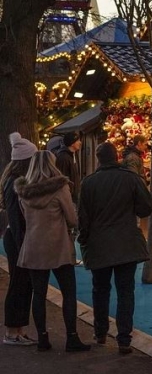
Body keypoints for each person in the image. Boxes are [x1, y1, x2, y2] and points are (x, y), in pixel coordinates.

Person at [78, 142, 152, 355]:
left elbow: (83, 217)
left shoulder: (89, 183)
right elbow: (147, 205)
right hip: (126, 243)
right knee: (125, 291)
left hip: (99, 244)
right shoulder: (130, 178)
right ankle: (124, 339)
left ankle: (100, 332)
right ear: (117, 157)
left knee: (100, 290)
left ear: (98, 159)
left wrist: (84, 240)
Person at [14, 150, 91, 352]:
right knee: (68, 292)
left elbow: (24, 218)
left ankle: (43, 338)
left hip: (33, 247)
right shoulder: (60, 188)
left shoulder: (23, 192)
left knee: (38, 294)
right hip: (58, 247)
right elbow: (72, 219)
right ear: (52, 164)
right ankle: (72, 338)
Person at [1, 133, 36, 346]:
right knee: (19, 284)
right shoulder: (15, 183)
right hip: (18, 240)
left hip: (16, 239)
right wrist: (24, 243)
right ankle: (12, 331)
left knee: (22, 283)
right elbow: (16, 218)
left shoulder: (12, 180)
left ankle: (17, 330)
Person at [55, 131, 82, 265]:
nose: (80, 142)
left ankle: (70, 256)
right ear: (72, 142)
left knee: (72, 229)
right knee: (71, 227)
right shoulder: (64, 158)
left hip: (72, 196)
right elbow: (63, 179)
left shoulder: (71, 156)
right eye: (78, 140)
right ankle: (69, 257)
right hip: (69, 198)